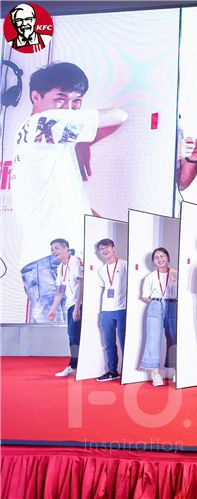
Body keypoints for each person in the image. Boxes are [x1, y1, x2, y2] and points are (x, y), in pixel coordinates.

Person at [12, 62, 127, 323]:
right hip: (52, 262)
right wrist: (84, 141)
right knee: (58, 341)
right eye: (60, 99)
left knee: (68, 340)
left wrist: (80, 144)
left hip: (53, 259)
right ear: (36, 97)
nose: (69, 108)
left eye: (77, 102)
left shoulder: (40, 136)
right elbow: (119, 115)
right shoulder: (44, 122)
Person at [139, 248, 178, 387]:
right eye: (156, 257)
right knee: (153, 339)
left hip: (172, 305)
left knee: (174, 338)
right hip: (156, 306)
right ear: (153, 261)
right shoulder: (150, 277)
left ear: (168, 257)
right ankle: (155, 373)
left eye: (162, 256)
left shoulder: (176, 274)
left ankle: (176, 370)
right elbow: (145, 296)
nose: (160, 259)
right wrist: (158, 301)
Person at [46, 238, 83, 376]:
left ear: (66, 248)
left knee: (74, 335)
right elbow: (60, 290)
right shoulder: (60, 267)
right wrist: (52, 310)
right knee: (72, 336)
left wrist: (77, 307)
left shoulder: (75, 261)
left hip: (77, 304)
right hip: (70, 305)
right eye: (52, 249)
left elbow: (81, 284)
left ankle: (75, 366)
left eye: (57, 248)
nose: (54, 251)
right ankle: (75, 366)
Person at [96, 239, 128, 382]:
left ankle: (127, 371)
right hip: (106, 310)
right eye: (101, 248)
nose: (104, 250)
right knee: (109, 342)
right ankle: (112, 371)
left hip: (122, 308)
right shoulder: (101, 269)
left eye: (107, 247)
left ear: (113, 248)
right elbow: (104, 288)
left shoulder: (124, 264)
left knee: (124, 340)